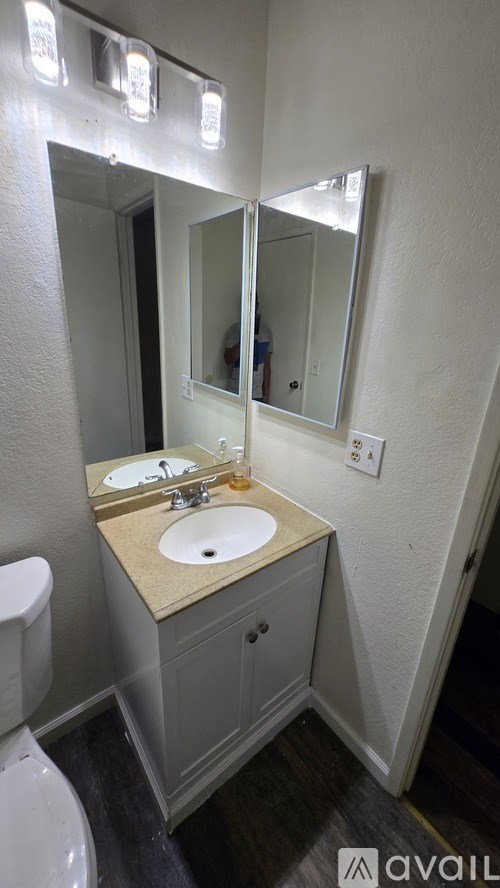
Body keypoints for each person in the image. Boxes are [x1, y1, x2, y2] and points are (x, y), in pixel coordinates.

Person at [225, 298, 272, 402]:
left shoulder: (266, 333)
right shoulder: (236, 329)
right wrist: (246, 334)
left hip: (257, 393)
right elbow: (228, 359)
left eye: (253, 303)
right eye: (248, 302)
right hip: (235, 391)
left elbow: (267, 366)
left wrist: (266, 394)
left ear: (257, 305)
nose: (251, 306)